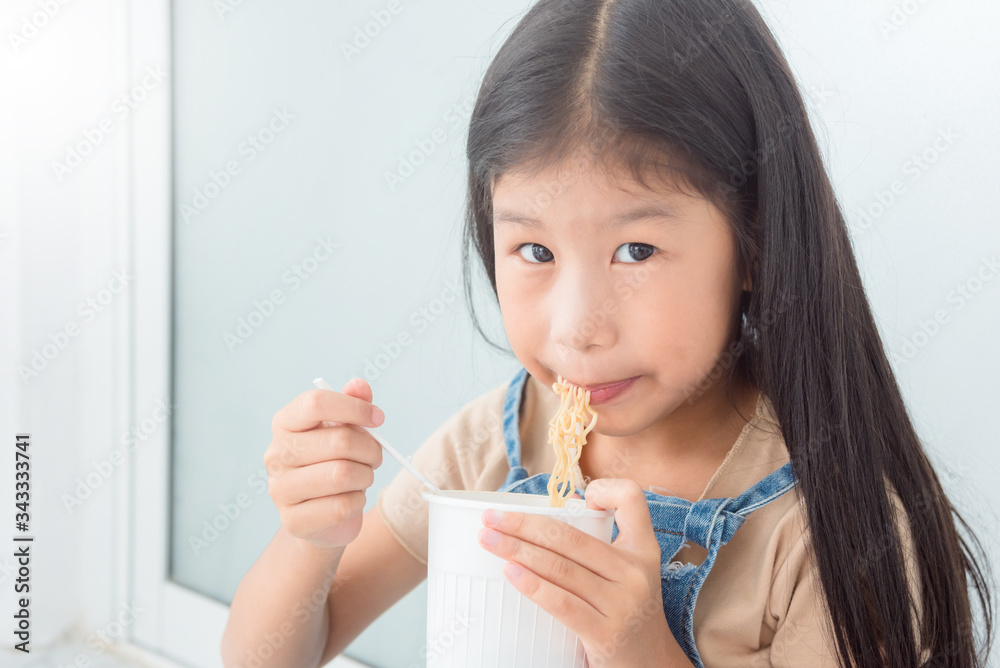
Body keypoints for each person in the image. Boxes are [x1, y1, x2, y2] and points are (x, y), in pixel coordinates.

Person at [220, 0, 995, 666]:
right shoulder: (499, 444)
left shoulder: (833, 526)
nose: (576, 330)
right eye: (534, 251)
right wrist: (311, 538)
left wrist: (637, 644)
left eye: (636, 251)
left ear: (754, 243)